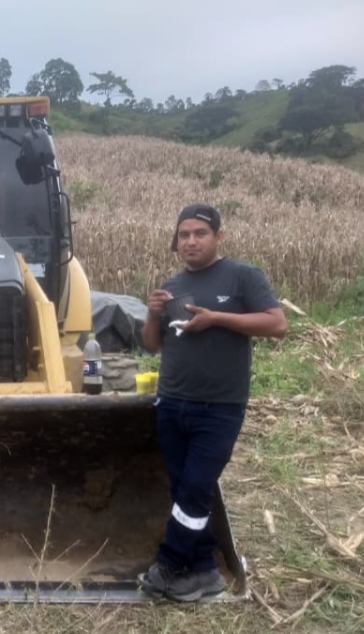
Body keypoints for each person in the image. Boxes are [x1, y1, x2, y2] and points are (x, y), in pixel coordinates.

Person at [139, 204, 287, 601]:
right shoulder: (171, 285)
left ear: (219, 236)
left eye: (200, 233)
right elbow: (152, 345)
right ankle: (205, 570)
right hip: (172, 401)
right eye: (183, 235)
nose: (191, 241)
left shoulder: (242, 276)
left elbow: (277, 324)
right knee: (185, 490)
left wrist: (217, 318)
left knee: (195, 486)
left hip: (220, 406)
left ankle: (169, 564)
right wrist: (152, 315)